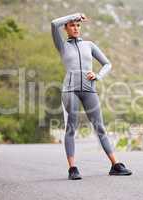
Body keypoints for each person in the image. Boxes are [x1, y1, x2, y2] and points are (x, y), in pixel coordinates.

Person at [51, 13, 132, 180]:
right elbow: (53, 23)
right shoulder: (62, 45)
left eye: (78, 25)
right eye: (72, 25)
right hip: (70, 90)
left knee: (100, 127)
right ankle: (72, 169)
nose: (75, 28)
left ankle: (115, 165)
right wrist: (74, 15)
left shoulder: (89, 45)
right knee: (71, 127)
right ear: (66, 28)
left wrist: (98, 75)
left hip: (89, 90)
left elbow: (107, 64)